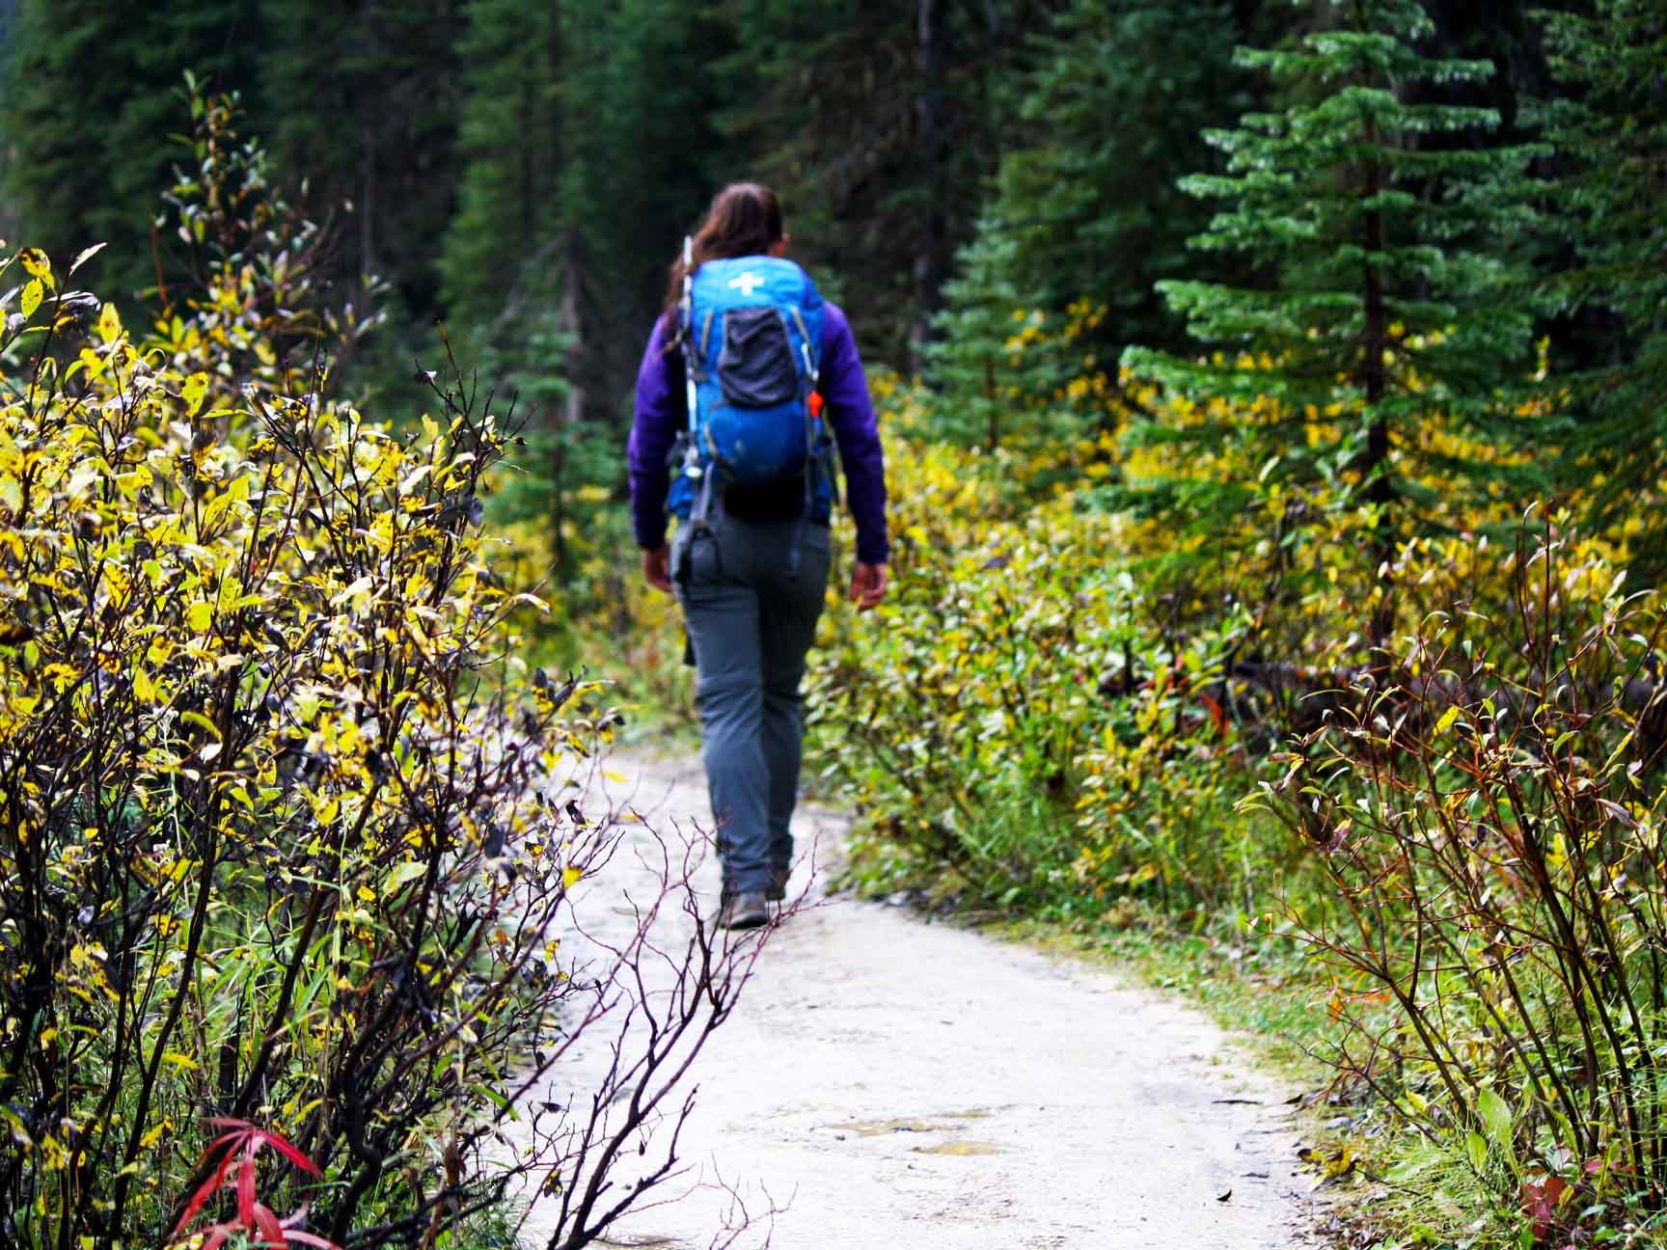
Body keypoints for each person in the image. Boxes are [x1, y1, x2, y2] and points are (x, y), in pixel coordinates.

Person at [627, 183, 890, 931]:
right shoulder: (818, 317)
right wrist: (872, 546)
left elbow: (647, 441)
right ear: (779, 244)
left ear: (711, 239)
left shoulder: (683, 318)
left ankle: (742, 883)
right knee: (779, 696)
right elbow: (859, 437)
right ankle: (771, 861)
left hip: (711, 531)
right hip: (799, 535)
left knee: (729, 703)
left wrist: (650, 536)